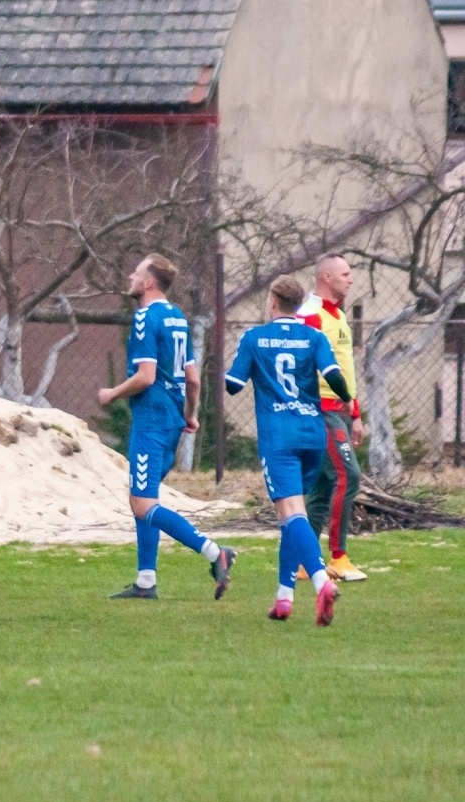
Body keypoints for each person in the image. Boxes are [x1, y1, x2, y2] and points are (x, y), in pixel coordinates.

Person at [98, 254, 237, 600]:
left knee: (143, 504)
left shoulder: (145, 317)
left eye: (137, 271)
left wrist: (112, 393)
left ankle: (214, 552)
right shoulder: (177, 318)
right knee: (143, 499)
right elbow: (193, 378)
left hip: (152, 420)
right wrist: (191, 414)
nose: (130, 275)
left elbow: (145, 376)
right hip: (172, 419)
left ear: (148, 283)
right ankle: (146, 582)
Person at [225, 276, 353, 625]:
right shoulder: (314, 336)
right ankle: (284, 598)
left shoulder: (253, 338)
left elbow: (233, 385)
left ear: (272, 301)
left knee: (293, 513)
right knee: (289, 520)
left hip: (278, 436)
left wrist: (242, 365)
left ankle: (321, 581)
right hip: (313, 433)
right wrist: (348, 401)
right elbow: (334, 376)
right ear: (299, 305)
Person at [297, 253, 367, 582]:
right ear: (326, 278)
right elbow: (301, 366)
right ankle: (338, 557)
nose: (350, 279)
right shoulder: (309, 316)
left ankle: (302, 560)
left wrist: (355, 414)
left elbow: (346, 372)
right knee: (348, 476)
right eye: (345, 273)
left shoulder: (337, 315)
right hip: (321, 411)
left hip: (339, 411)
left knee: (324, 485)